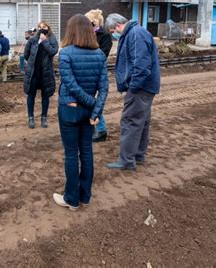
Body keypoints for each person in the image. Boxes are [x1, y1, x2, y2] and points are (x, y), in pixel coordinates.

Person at [53, 14, 108, 211]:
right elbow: (104, 88)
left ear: (71, 30)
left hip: (69, 110)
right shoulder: (100, 55)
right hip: (88, 114)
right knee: (86, 151)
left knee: (71, 154)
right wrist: (96, 109)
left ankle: (71, 199)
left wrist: (92, 104)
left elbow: (72, 86)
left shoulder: (65, 54)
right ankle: (85, 196)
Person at [105, 13, 161, 171]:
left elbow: (141, 65)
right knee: (141, 121)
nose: (114, 36)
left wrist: (133, 87)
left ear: (117, 26)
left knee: (130, 121)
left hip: (140, 88)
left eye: (112, 31)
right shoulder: (136, 32)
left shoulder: (135, 34)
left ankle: (127, 161)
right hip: (145, 87)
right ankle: (137, 155)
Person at [23, 21, 59, 129]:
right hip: (33, 73)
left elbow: (53, 52)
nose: (42, 29)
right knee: (31, 95)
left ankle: (44, 118)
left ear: (48, 27)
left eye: (44, 27)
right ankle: (31, 118)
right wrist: (31, 63)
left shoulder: (52, 39)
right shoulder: (33, 39)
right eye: (40, 27)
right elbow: (26, 54)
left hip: (45, 73)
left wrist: (45, 42)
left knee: (45, 96)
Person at [85, 9, 113, 142]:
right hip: (86, 71)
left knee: (94, 102)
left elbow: (103, 54)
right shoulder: (86, 34)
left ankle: (101, 129)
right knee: (88, 100)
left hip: (97, 72)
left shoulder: (104, 36)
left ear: (94, 22)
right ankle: (95, 128)